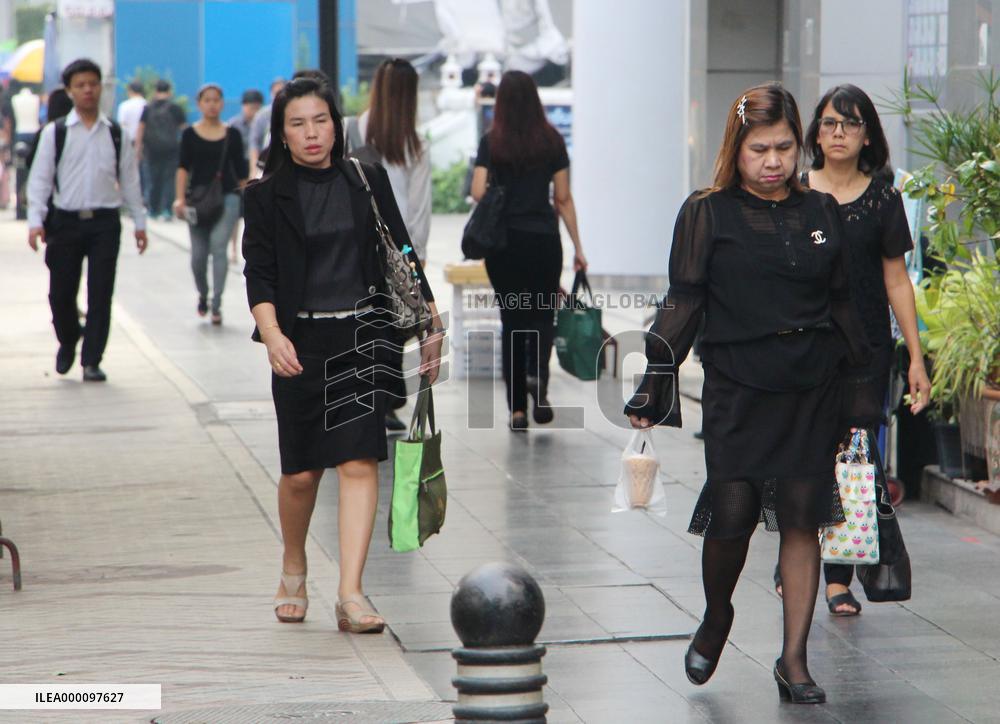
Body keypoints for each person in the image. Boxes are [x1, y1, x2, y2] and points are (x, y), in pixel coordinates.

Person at [625, 83, 870, 704]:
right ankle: (716, 614)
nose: (773, 161)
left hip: (812, 382)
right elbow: (684, 300)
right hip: (738, 382)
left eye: (784, 147)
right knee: (731, 509)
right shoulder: (706, 212)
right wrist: (655, 378)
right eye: (759, 148)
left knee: (801, 516)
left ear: (800, 145)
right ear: (736, 149)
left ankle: (794, 660)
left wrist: (861, 390)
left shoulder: (822, 214)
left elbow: (843, 303)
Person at [241, 76, 444, 632]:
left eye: (321, 120)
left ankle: (351, 592)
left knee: (357, 462)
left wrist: (429, 315)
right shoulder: (263, 196)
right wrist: (272, 332)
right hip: (298, 345)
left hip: (362, 337)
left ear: (338, 123)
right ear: (282, 134)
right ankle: (293, 564)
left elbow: (401, 247)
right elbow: (257, 271)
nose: (312, 134)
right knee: (303, 474)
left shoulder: (365, 179)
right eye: (298, 124)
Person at [771, 84, 932, 615]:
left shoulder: (883, 199)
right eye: (830, 123)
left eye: (851, 124)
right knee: (805, 454)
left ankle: (838, 576)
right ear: (815, 131)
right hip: (800, 349)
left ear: (868, 137)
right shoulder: (792, 193)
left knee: (853, 462)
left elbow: (897, 282)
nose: (838, 133)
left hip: (863, 352)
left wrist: (914, 358)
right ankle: (792, 553)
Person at [470, 70, 586, 430]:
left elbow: (476, 191)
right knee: (541, 316)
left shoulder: (493, 141)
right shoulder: (552, 141)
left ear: (501, 103)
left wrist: (500, 195)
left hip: (504, 246)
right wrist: (579, 248)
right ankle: (538, 377)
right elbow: (563, 198)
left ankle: (517, 409)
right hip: (543, 242)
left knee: (512, 320)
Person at [26, 58, 148, 382]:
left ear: (101, 88)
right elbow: (40, 179)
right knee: (60, 293)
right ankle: (68, 338)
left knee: (100, 292)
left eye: (93, 84)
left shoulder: (116, 133)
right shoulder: (56, 133)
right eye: (80, 85)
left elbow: (130, 180)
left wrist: (139, 222)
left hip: (105, 223)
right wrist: (35, 220)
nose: (88, 90)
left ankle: (92, 360)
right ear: (69, 90)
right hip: (65, 222)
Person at [351, 58, 432, 431]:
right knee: (397, 320)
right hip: (398, 248)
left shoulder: (353, 129)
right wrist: (416, 258)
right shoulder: (414, 143)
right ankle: (386, 397)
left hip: (356, 242)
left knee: (365, 318)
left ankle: (368, 395)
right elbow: (418, 208)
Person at [173, 83, 248, 325]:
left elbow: (242, 170)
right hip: (197, 200)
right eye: (207, 100)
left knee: (218, 247)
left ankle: (217, 302)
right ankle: (203, 294)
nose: (212, 104)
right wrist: (180, 198)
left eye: (216, 100)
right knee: (198, 256)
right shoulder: (189, 134)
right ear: (199, 104)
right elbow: (183, 167)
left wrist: (248, 197)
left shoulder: (233, 134)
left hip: (228, 197)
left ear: (223, 103)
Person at [136, 79, 186, 220]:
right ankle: (166, 210)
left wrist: (138, 148)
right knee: (169, 180)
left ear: (156, 91)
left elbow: (141, 128)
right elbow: (183, 129)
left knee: (153, 179)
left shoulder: (148, 108)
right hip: (171, 149)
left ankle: (153, 209)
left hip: (151, 150)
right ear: (169, 91)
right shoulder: (175, 108)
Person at [226, 88, 264, 261]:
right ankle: (233, 248)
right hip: (236, 173)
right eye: (251, 107)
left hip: (257, 173)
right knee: (234, 216)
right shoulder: (234, 125)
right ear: (243, 106)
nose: (254, 111)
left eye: (257, 107)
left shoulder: (263, 123)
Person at [248, 77, 287, 174]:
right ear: (271, 95)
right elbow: (254, 143)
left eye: (282, 92)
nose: (279, 96)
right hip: (267, 164)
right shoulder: (262, 115)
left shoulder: (296, 112)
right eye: (276, 93)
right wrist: (254, 170)